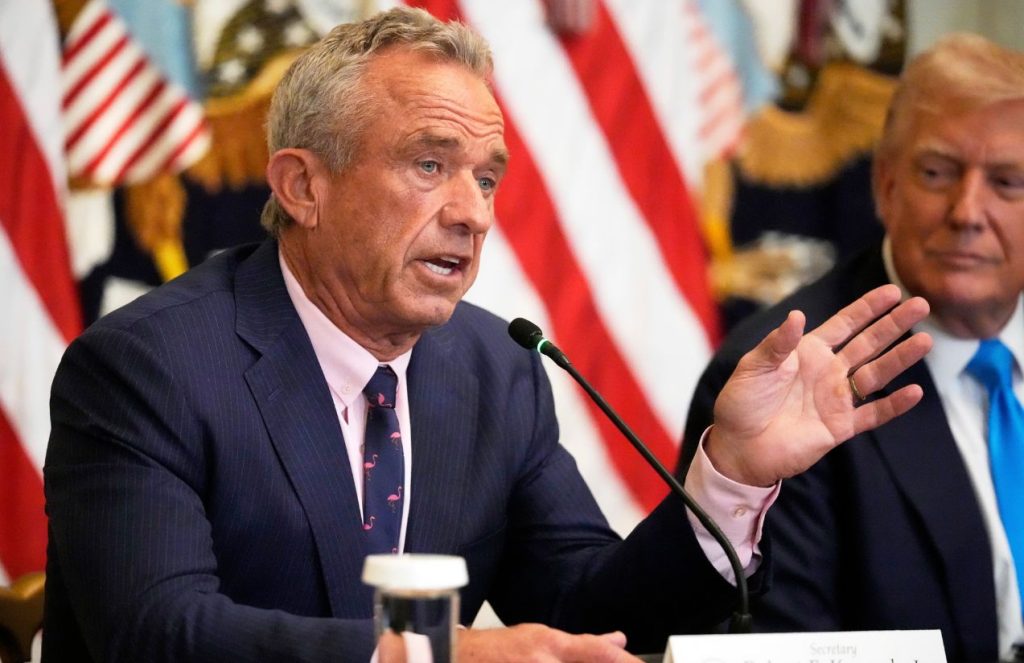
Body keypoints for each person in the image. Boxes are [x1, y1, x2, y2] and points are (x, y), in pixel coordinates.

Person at [43, 8, 931, 663]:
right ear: (304, 186)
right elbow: (155, 630)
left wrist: (730, 475)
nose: (472, 213)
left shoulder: (495, 368)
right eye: (430, 164)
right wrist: (426, 654)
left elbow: (591, 613)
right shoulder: (148, 367)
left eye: (488, 178)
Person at [679, 33, 1024, 663]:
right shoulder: (780, 378)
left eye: (1007, 182)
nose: (968, 211)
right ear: (885, 184)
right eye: (937, 172)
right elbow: (778, 645)